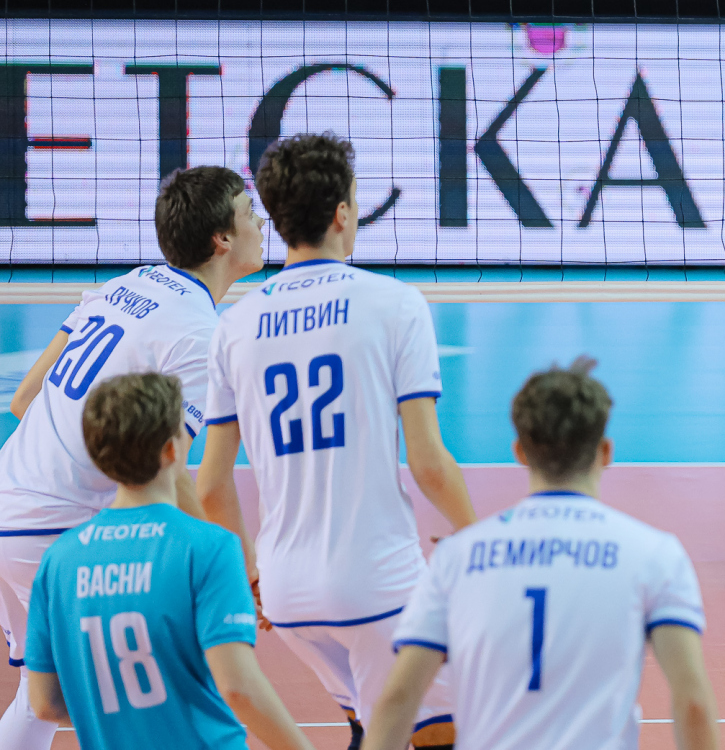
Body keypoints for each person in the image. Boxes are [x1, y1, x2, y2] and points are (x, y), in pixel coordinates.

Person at [198, 134, 476, 750]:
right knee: (449, 730)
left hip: (286, 592)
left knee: (369, 724)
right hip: (377, 584)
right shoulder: (394, 304)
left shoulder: (234, 326)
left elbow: (211, 485)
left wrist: (251, 574)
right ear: (343, 213)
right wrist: (479, 540)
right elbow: (428, 462)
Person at [0, 165, 265, 750]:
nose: (261, 224)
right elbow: (177, 477)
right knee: (151, 689)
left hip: (7, 501)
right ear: (222, 238)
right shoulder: (199, 335)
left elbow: (23, 400)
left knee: (41, 699)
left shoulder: (130, 283)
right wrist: (237, 572)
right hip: (55, 525)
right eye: (250, 213)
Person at [367, 359, 718, 750]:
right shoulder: (654, 555)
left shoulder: (457, 558)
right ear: (605, 451)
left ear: (520, 451)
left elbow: (399, 699)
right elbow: (693, 704)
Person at [24, 371, 311, 750]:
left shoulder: (59, 561)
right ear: (172, 449)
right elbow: (238, 686)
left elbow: (45, 703)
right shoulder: (208, 546)